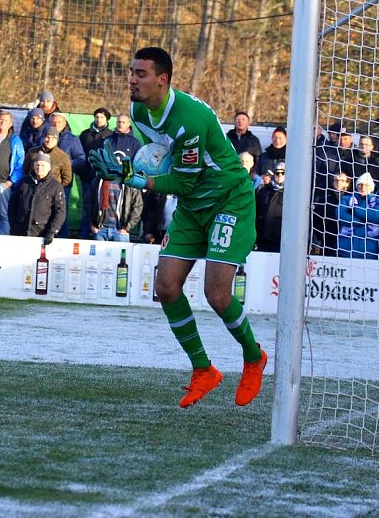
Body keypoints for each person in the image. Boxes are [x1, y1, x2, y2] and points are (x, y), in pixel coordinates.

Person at [89, 47, 266, 409]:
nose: (132, 79)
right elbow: (162, 159)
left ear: (162, 80)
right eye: (131, 72)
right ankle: (204, 370)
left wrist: (134, 179)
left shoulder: (190, 121)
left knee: (217, 294)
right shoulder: (139, 111)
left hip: (227, 199)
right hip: (193, 204)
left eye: (140, 74)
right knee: (166, 287)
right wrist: (135, 169)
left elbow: (182, 184)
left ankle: (253, 357)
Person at [8, 152, 65, 243]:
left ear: (49, 167)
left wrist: (52, 232)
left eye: (43, 165)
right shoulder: (23, 182)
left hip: (42, 232)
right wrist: (13, 225)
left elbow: (60, 211)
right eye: (37, 165)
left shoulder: (55, 186)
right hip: (20, 231)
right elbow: (12, 204)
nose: (39, 168)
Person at [78, 107, 113, 237]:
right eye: (97, 117)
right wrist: (82, 171)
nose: (99, 120)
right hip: (87, 176)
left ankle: (100, 233)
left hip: (103, 178)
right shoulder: (85, 134)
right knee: (87, 206)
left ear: (107, 119)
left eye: (102, 117)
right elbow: (80, 154)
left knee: (102, 205)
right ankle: (84, 234)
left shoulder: (110, 135)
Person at [85, 165, 144, 242]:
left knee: (122, 254)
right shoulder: (98, 181)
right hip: (101, 230)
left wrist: (126, 228)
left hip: (121, 231)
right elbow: (88, 203)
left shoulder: (130, 184)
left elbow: (138, 206)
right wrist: (92, 225)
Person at [337, 172, 379, 259]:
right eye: (360, 184)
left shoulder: (377, 201)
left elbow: (377, 216)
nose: (363, 187)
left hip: (369, 250)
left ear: (371, 187)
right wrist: (360, 221)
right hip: (345, 248)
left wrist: (355, 210)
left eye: (366, 185)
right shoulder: (346, 199)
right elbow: (340, 215)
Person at [254, 161, 285, 252]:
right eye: (277, 173)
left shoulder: (291, 193)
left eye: (283, 173)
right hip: (263, 237)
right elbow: (256, 212)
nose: (279, 175)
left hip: (280, 239)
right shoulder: (263, 191)